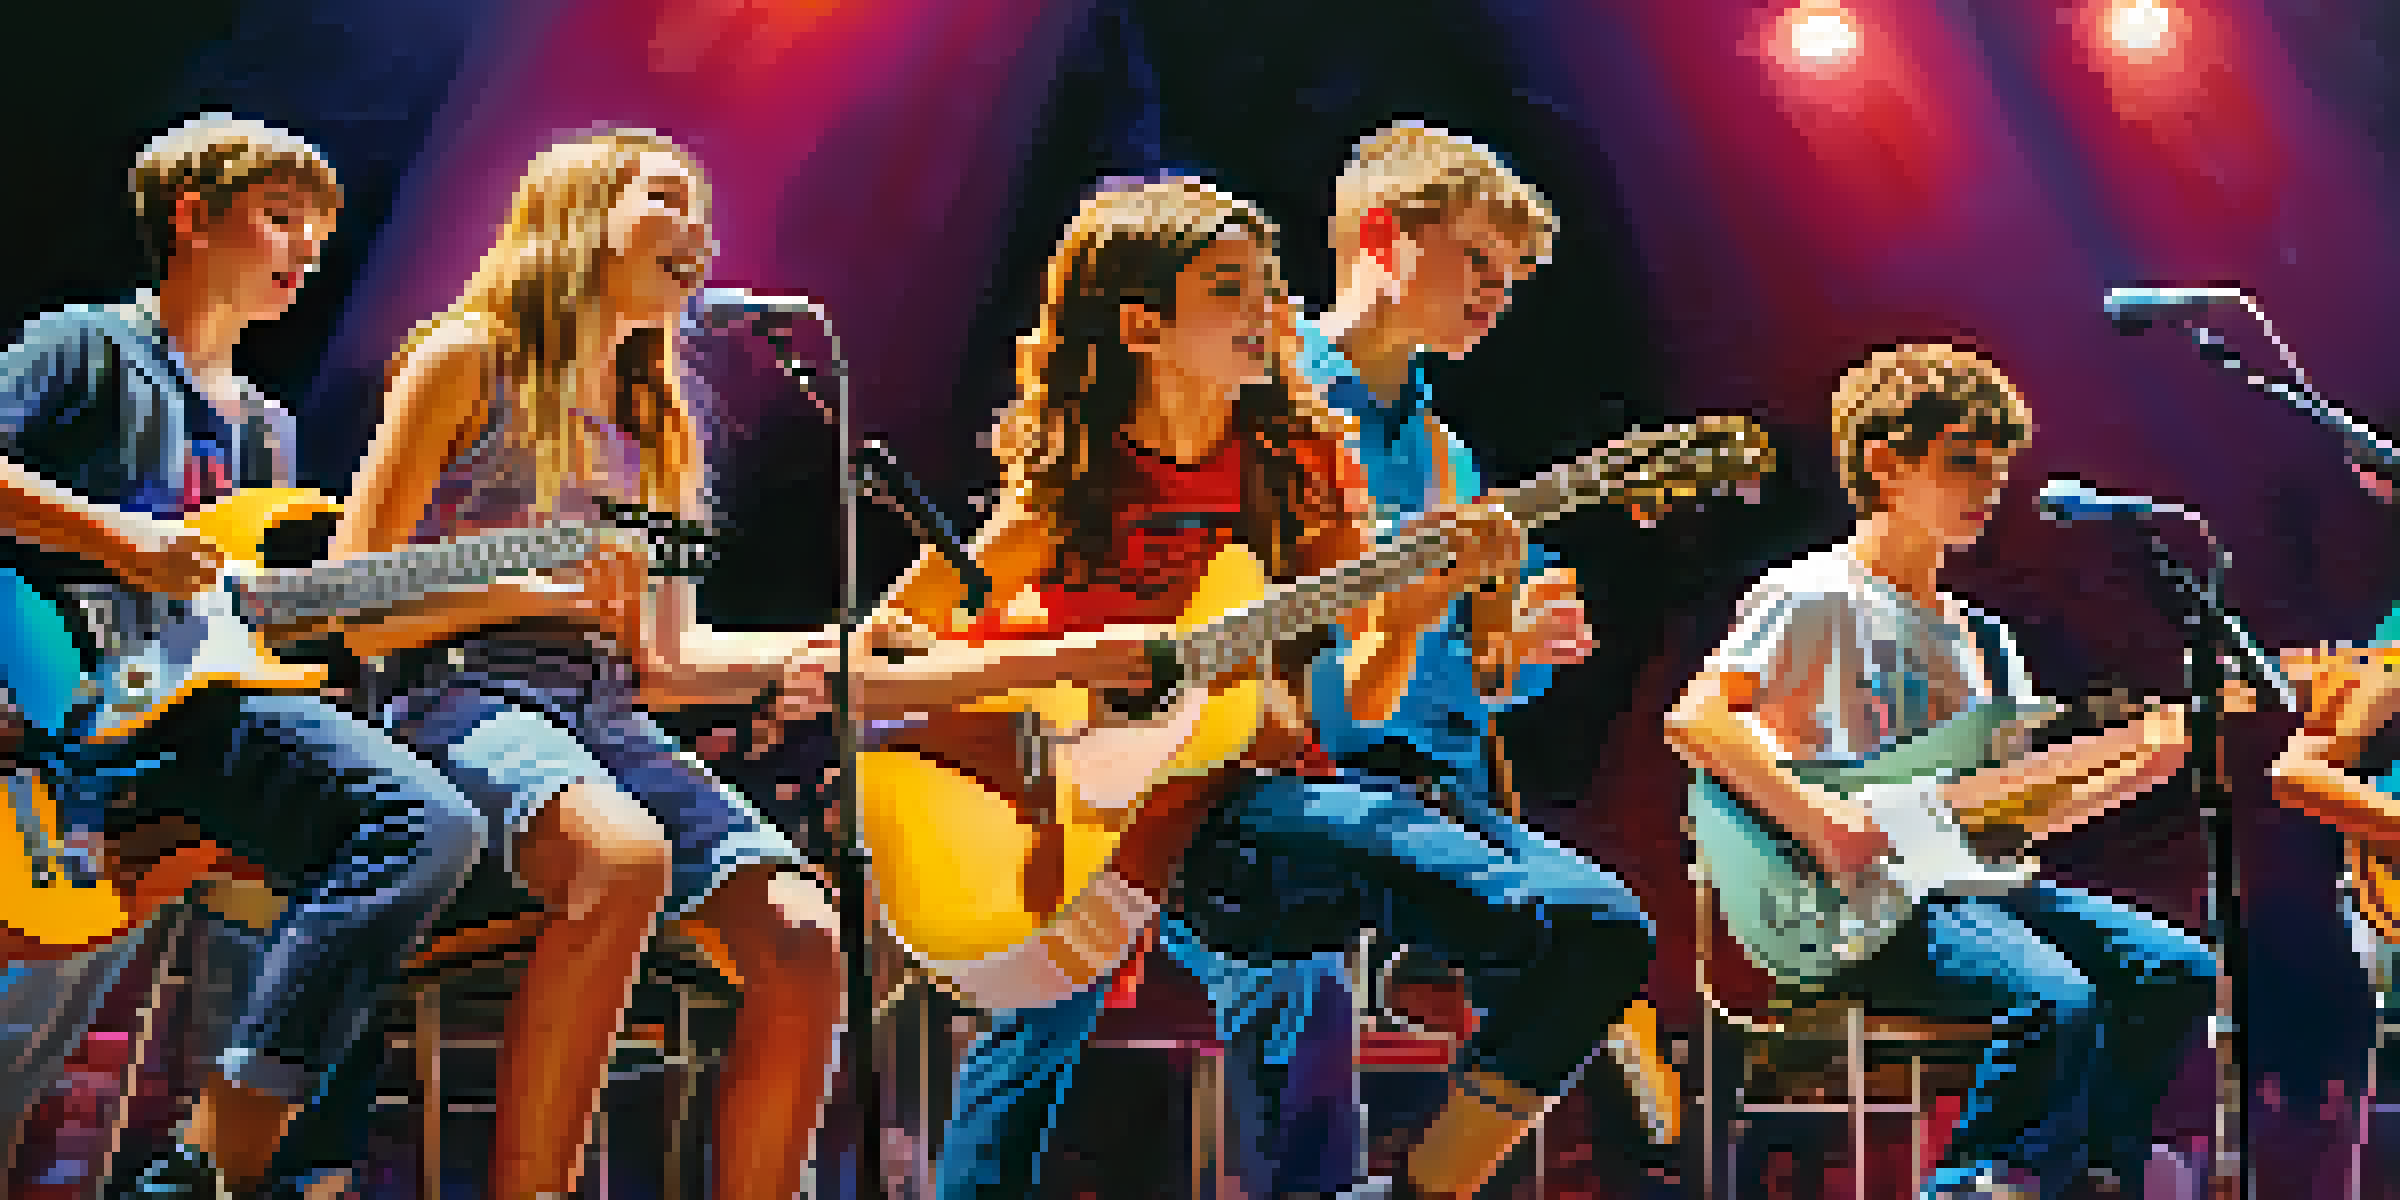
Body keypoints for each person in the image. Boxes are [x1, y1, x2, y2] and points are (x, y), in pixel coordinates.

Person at [866, 174, 1655, 1200]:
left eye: (1268, 285)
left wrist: (1410, 618)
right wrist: (1066, 674)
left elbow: (1364, 699)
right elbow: (881, 656)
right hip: (1074, 815)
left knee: (1558, 938)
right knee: (1036, 1029)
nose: (1269, 309)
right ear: (1142, 328)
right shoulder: (1077, 490)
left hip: (1246, 806)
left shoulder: (1301, 465)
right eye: (1229, 289)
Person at [327, 128, 840, 1199]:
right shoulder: (467, 359)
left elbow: (667, 660)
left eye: (704, 213)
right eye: (667, 200)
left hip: (604, 712)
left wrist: (822, 653)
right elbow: (351, 604)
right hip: (458, 688)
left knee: (805, 939)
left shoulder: (659, 427)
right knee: (623, 858)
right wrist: (532, 591)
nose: (698, 232)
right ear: (581, 215)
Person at [0, 114, 486, 1198]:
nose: (304, 252)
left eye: (317, 236)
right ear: (192, 218)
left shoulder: (266, 430)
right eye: (279, 219)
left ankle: (268, 1164)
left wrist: (470, 593)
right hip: (59, 720)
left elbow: (235, 621)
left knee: (398, 847)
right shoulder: (87, 345)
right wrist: (116, 537)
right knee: (21, 1033)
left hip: (187, 735)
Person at [1664, 342, 2217, 1199]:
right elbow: (1698, 719)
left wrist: (2139, 768)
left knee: (2176, 969)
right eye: (1963, 461)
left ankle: (2092, 1176)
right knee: (2055, 999)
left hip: (1971, 887)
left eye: (1997, 466)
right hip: (1859, 905)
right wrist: (1824, 821)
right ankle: (1977, 1183)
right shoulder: (1817, 596)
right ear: (1885, 464)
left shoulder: (1985, 644)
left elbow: (2009, 816)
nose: (1988, 485)